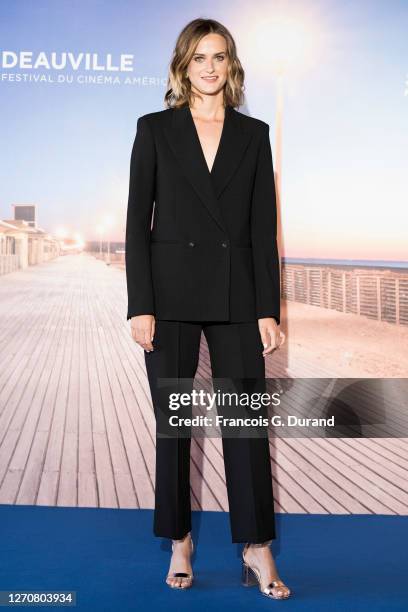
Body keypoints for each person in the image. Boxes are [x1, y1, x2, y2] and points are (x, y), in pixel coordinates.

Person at [125, 17, 291, 601]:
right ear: (183, 65)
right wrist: (139, 304)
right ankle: (178, 539)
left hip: (237, 294)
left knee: (246, 426)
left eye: (219, 56)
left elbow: (262, 229)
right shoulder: (154, 129)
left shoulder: (254, 133)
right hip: (167, 296)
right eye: (200, 57)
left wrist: (266, 309)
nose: (211, 67)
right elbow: (136, 226)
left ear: (232, 65)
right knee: (174, 426)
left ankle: (256, 546)